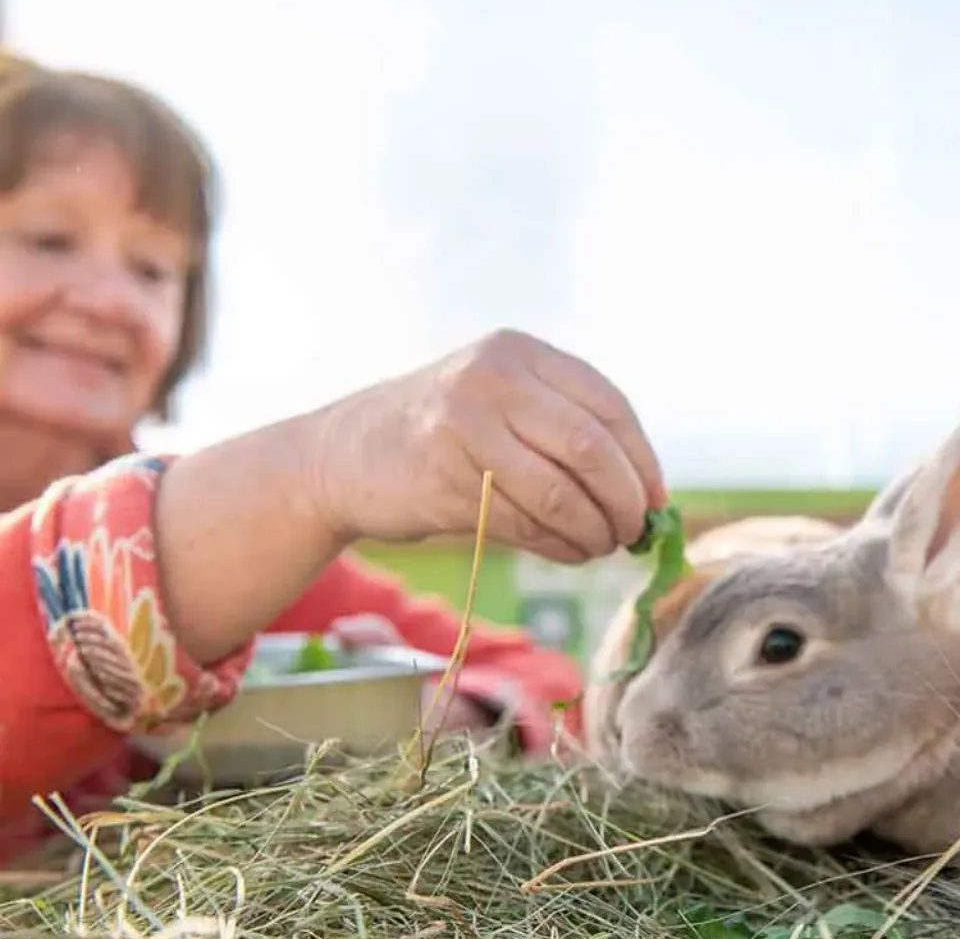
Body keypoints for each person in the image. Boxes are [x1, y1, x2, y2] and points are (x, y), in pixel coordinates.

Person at [0, 52, 666, 864]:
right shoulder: (228, 536)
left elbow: (556, 688)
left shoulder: (245, 567)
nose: (108, 301)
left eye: (152, 269)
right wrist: (320, 467)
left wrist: (448, 718)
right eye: (46, 239)